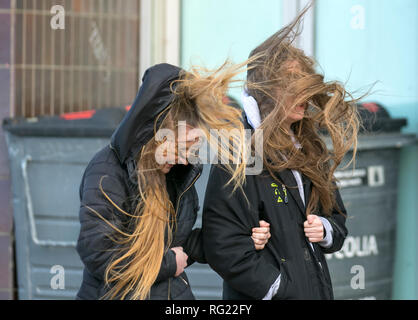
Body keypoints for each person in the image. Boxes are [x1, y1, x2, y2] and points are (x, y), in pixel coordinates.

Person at [75, 62, 271, 300]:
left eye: (190, 149)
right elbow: (100, 255)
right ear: (155, 131)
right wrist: (168, 264)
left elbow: (181, 241)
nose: (182, 158)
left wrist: (238, 237)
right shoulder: (107, 170)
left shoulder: (174, 173)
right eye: (179, 147)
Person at [202, 8, 360, 300]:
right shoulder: (241, 151)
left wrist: (325, 229)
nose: (305, 97)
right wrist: (278, 289)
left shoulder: (310, 147)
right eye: (293, 86)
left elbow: (336, 217)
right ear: (269, 92)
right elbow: (222, 244)